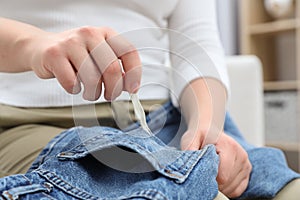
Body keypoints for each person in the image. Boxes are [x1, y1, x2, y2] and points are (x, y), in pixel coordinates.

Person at [0, 0, 299, 199]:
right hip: (29, 121)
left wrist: (207, 124)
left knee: (283, 186)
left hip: (163, 118)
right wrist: (34, 45)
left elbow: (197, 45)